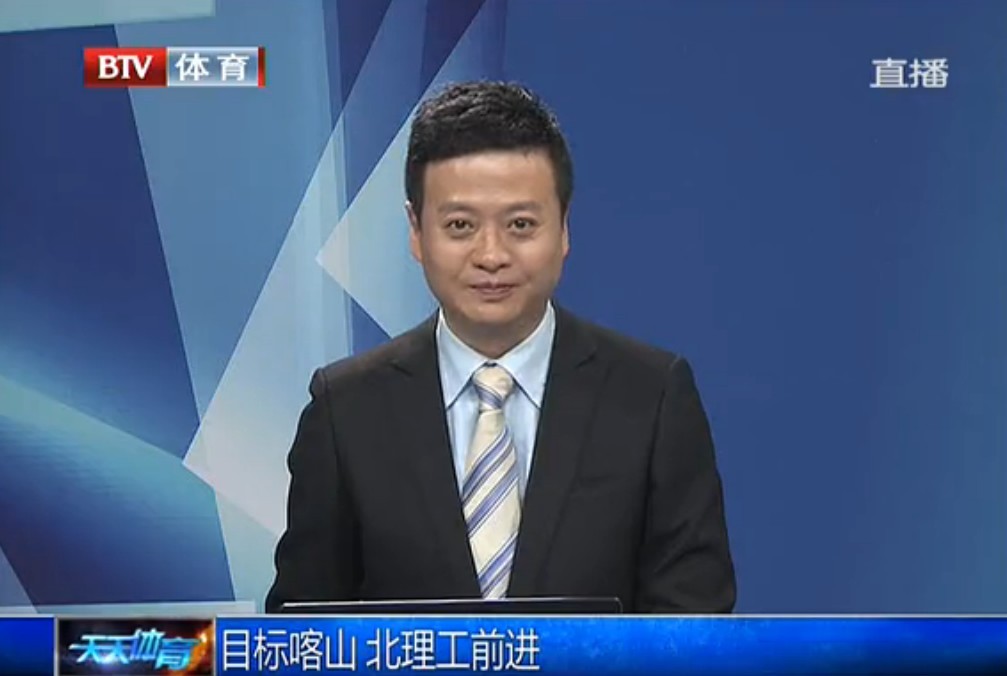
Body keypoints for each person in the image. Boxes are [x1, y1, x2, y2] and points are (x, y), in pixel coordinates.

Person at [265, 81, 735, 613]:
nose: (491, 255)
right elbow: (302, 634)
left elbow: (694, 625)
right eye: (460, 225)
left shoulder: (651, 398)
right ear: (416, 231)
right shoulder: (346, 410)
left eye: (521, 225)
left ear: (564, 228)